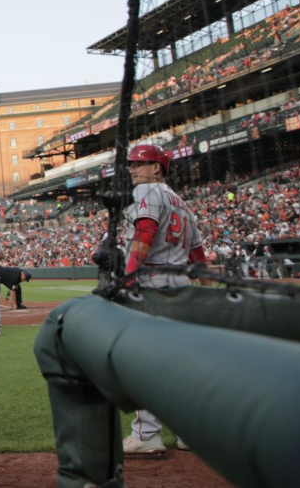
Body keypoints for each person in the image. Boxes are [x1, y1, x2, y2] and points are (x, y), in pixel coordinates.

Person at [120, 143, 210, 455]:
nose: (131, 169)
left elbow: (145, 232)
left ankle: (146, 434)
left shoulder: (148, 192)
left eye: (138, 164)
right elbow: (198, 256)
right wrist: (206, 293)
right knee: (180, 363)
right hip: (182, 285)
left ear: (156, 167)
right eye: (131, 164)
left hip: (152, 283)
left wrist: (127, 278)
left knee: (140, 361)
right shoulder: (182, 203)